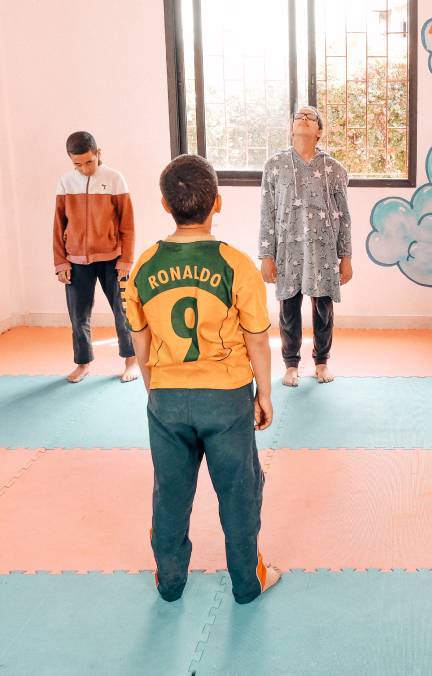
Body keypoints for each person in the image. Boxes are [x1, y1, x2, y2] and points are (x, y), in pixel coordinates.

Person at [123, 154, 280, 604]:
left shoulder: (145, 264)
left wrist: (153, 388)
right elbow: (257, 340)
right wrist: (263, 393)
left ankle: (170, 583)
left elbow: (141, 339)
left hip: (167, 397)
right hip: (226, 398)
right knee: (239, 491)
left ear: (164, 204)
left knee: (170, 493)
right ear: (218, 202)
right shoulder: (236, 264)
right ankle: (248, 584)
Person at [258, 106, 352, 386]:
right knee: (288, 308)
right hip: (287, 250)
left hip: (322, 251)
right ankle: (290, 364)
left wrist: (345, 257)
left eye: (311, 117)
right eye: (299, 116)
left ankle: (321, 362)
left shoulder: (334, 169)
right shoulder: (274, 165)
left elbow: (344, 216)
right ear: (291, 128)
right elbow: (267, 211)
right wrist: (266, 255)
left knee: (323, 308)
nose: (304, 118)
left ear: (319, 131)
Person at [53, 131, 139, 384]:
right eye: (77, 164)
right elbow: (59, 225)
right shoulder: (66, 182)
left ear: (98, 153)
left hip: (112, 259)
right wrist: (61, 261)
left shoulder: (114, 179)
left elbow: (128, 224)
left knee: (122, 311)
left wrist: (126, 260)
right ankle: (83, 363)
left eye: (88, 162)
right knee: (78, 315)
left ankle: (131, 360)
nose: (83, 169)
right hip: (76, 260)